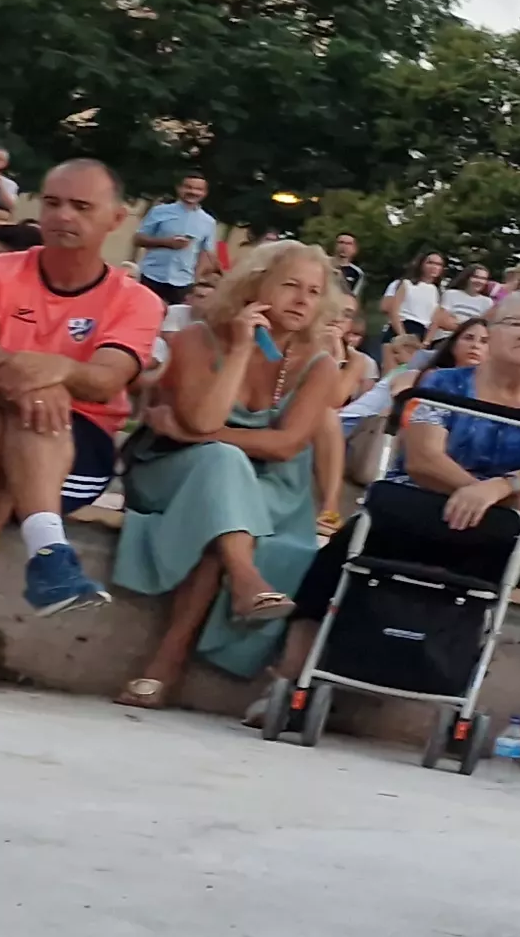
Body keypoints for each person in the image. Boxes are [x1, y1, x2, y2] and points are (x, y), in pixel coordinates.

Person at [0, 161, 172, 686]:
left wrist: (59, 370)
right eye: (53, 203)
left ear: (116, 219)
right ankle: (48, 554)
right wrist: (26, 379)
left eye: (81, 207)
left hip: (70, 434)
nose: (63, 215)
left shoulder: (137, 300)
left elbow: (106, 380)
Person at [255, 291, 520, 707]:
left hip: (498, 532)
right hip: (418, 507)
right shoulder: (443, 384)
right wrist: (485, 491)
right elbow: (424, 459)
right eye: (516, 323)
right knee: (339, 554)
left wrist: (494, 489)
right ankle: (289, 679)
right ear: (491, 331)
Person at [109, 239, 355, 706]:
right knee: (221, 468)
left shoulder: (320, 364)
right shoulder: (198, 339)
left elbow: (284, 446)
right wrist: (243, 349)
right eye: (289, 286)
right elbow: (204, 417)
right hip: (171, 470)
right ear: (254, 284)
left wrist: (198, 437)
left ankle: (166, 662)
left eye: (313, 290)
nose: (303, 300)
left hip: (272, 488)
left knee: (220, 512)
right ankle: (244, 580)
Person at [132, 175, 216, 307]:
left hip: (183, 282)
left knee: (174, 322)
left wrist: (196, 278)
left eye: (198, 189)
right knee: (141, 314)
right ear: (179, 188)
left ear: (204, 193)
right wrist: (166, 242)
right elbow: (138, 239)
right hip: (152, 275)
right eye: (188, 187)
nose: (193, 192)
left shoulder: (208, 221)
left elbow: (206, 252)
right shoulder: (159, 212)